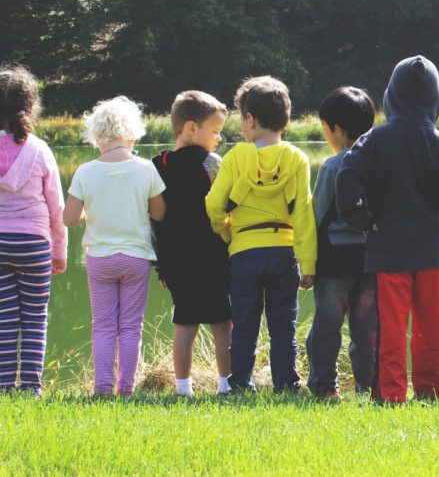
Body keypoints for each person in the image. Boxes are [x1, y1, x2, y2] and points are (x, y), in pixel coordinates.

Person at [335, 56, 439, 403]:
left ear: (390, 97)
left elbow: (346, 183)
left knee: (391, 328)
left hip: (387, 250)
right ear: (437, 99)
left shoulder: (373, 141)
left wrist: (364, 221)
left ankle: (391, 392)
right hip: (431, 248)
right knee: (432, 326)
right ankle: (434, 390)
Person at [205, 76, 316, 393]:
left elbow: (214, 205)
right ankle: (286, 383)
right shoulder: (296, 158)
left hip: (244, 253)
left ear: (250, 120)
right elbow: (303, 212)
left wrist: (228, 233)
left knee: (244, 325)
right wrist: (308, 261)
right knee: (283, 325)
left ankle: (240, 383)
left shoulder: (237, 157)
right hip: (284, 252)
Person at [64, 96, 166, 396]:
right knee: (131, 327)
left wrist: (88, 210)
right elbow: (160, 213)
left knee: (104, 325)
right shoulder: (146, 168)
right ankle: (126, 388)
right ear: (132, 133)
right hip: (136, 258)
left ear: (97, 136)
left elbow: (69, 219)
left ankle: (102, 388)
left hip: (99, 259)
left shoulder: (85, 171)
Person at [152, 90, 231, 397]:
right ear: (190, 128)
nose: (218, 138)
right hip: (213, 255)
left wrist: (161, 266)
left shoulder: (158, 165)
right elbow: (226, 203)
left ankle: (182, 388)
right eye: (215, 131)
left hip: (176, 259)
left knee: (185, 324)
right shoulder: (212, 163)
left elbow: (154, 219)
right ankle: (226, 385)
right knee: (222, 322)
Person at [305, 86, 378, 398]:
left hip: (335, 259)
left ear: (337, 129)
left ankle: (325, 387)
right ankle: (368, 387)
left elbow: (317, 214)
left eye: (325, 128)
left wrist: (306, 262)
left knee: (326, 327)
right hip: (371, 257)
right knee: (366, 329)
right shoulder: (380, 163)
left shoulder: (334, 166)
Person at [0, 65, 67, 395]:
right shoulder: (40, 150)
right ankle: (31, 387)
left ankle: (3, 386)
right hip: (34, 243)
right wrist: (60, 251)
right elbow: (57, 208)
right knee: (35, 319)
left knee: (5, 319)